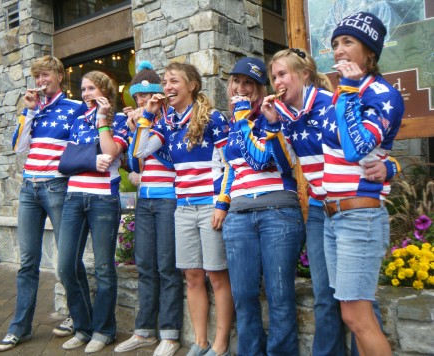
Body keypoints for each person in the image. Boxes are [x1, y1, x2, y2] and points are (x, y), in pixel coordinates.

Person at [261, 47, 399, 356]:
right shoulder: (284, 115)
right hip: (321, 211)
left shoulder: (330, 103)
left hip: (352, 209)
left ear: (304, 75)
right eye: (273, 77)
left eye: (283, 74)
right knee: (326, 295)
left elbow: (365, 149)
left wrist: (392, 167)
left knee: (360, 301)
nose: (277, 82)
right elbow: (286, 166)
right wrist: (272, 127)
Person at [131, 62, 234, 356]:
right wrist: (148, 115)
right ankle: (199, 342)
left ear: (192, 85)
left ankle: (220, 344)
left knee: (216, 276)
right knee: (192, 277)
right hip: (183, 208)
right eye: (165, 82)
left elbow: (230, 165)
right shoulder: (167, 123)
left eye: (174, 81)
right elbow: (139, 152)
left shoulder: (213, 118)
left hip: (209, 205)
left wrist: (222, 203)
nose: (167, 87)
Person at [322, 12, 404, 355]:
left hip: (360, 216)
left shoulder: (381, 94)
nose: (339, 50)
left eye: (348, 42)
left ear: (370, 52)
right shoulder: (345, 93)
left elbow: (357, 149)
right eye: (336, 43)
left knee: (358, 317)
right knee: (352, 314)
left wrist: (351, 92)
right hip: (333, 215)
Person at [0, 55, 86, 352]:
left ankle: (78, 316)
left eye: (45, 74)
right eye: (37, 76)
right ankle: (19, 328)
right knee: (28, 262)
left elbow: (82, 147)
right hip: (28, 189)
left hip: (58, 186)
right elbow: (18, 146)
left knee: (67, 259)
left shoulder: (75, 108)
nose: (41, 81)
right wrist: (29, 112)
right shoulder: (33, 109)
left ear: (59, 75)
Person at [217, 57, 305, 355]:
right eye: (236, 82)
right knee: (243, 295)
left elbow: (264, 160)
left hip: (277, 213)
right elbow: (231, 168)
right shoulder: (233, 123)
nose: (240, 88)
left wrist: (243, 121)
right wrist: (222, 204)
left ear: (259, 88)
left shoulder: (273, 115)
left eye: (249, 83)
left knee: (280, 295)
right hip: (239, 215)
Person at [114, 61, 183, 356]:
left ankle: (169, 334)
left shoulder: (170, 121)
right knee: (144, 265)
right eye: (139, 97)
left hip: (169, 198)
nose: (142, 102)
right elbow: (133, 162)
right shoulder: (140, 123)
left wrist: (149, 122)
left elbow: (170, 160)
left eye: (149, 96)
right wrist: (136, 130)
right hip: (145, 199)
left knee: (167, 267)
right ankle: (143, 331)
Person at [57, 70, 129, 353]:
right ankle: (82, 326)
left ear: (105, 91)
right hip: (74, 197)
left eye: (91, 89)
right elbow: (65, 163)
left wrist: (102, 121)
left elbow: (111, 153)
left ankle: (104, 330)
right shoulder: (76, 121)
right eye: (83, 89)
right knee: (65, 266)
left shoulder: (120, 120)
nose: (85, 94)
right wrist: (90, 158)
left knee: (102, 268)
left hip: (103, 200)